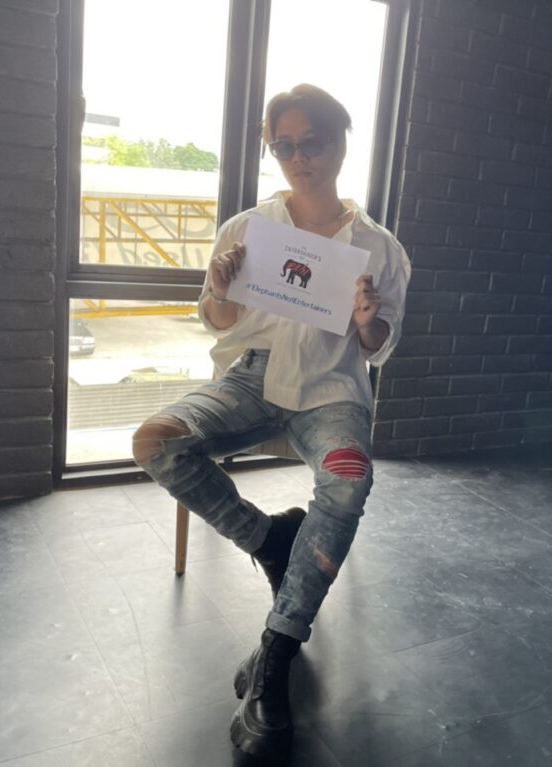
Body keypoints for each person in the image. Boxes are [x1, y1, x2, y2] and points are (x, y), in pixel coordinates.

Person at [131, 84, 410, 764]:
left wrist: (368, 320)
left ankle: (277, 651)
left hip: (331, 386)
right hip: (251, 377)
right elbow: (216, 319)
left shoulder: (379, 248)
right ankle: (272, 539)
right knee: (155, 442)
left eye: (311, 142)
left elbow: (379, 346)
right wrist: (222, 291)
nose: (298, 157)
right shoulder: (247, 229)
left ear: (340, 143)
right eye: (283, 146)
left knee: (349, 477)